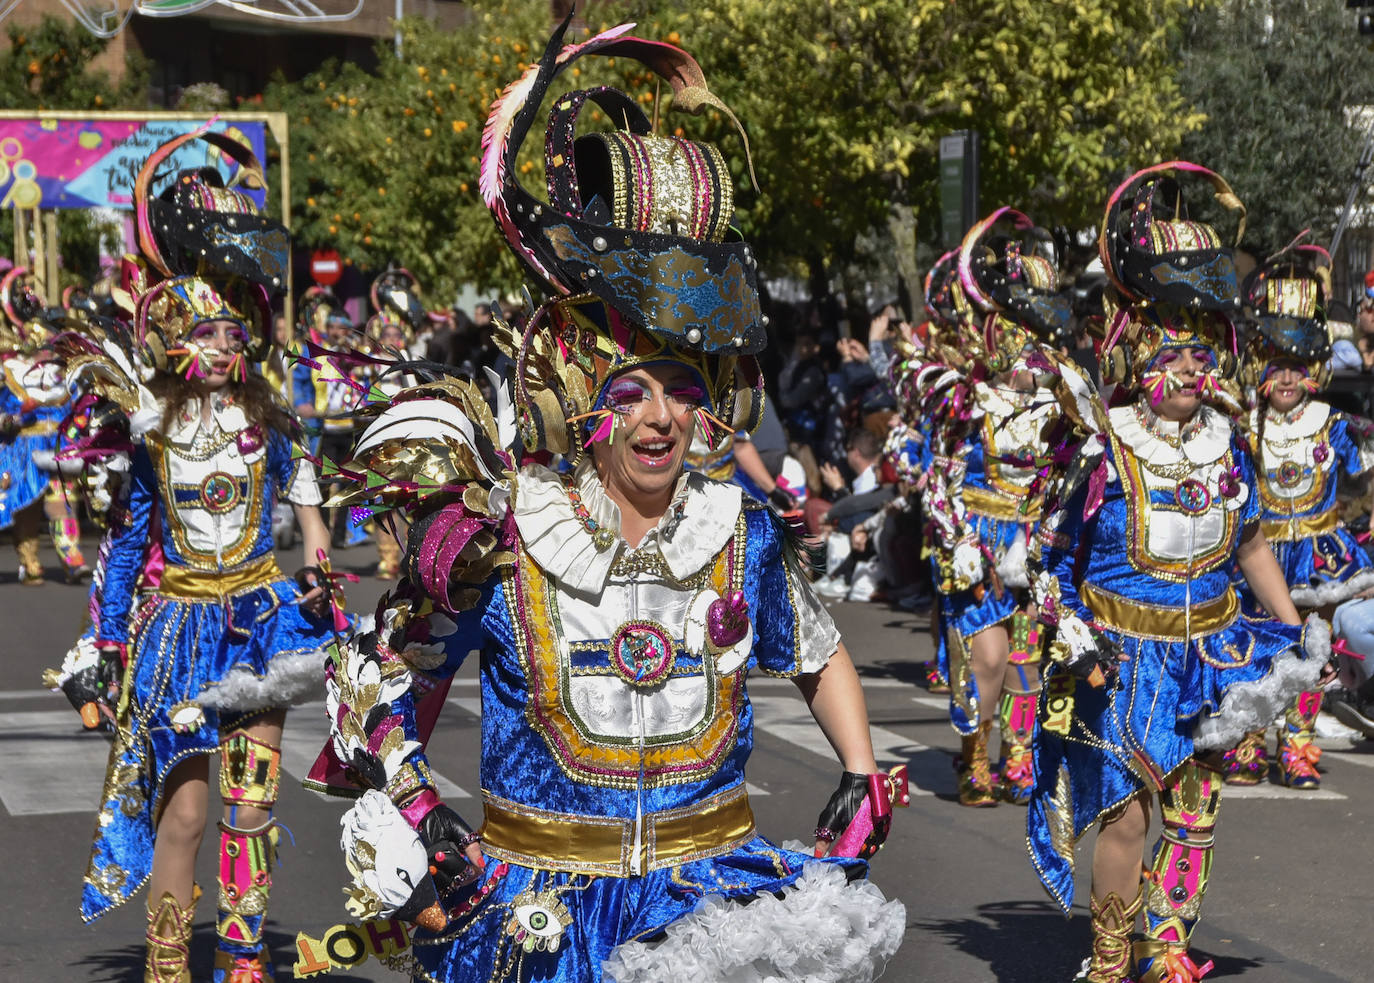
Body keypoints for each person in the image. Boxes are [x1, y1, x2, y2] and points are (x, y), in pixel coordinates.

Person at [306, 20, 907, 983]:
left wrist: (862, 771)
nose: (661, 418)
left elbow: (818, 648)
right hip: (540, 907)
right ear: (582, 397)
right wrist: (414, 811)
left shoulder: (737, 531)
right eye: (631, 392)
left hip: (710, 899)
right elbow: (385, 688)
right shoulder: (500, 538)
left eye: (683, 388)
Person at [1026, 163, 1332, 983]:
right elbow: (1050, 563)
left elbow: (1253, 544)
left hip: (1212, 655)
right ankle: (1108, 957)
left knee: (1196, 813)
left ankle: (1167, 943)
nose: (1191, 366)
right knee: (1124, 818)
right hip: (1123, 660)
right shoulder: (1103, 443)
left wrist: (1299, 628)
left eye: (1202, 348)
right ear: (1134, 347)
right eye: (1172, 347)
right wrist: (1072, 638)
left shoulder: (1227, 442)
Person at [65, 129, 338, 983]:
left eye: (233, 332)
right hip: (180, 633)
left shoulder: (272, 423)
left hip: (259, 625)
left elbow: (304, 491)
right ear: (177, 337)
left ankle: (247, 961)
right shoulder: (153, 436)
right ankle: (168, 967)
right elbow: (124, 547)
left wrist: (321, 557)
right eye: (209, 333)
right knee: (183, 816)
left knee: (252, 808)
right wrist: (110, 646)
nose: (225, 348)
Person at [919, 210, 1069, 807]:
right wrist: (958, 542)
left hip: (1033, 543)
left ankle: (1020, 755)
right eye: (1016, 334)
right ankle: (974, 755)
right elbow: (940, 479)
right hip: (978, 539)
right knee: (988, 657)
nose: (1028, 350)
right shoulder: (963, 398)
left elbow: (1066, 483)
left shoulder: (1063, 407)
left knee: (1028, 661)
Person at [1225, 240, 1374, 789]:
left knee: (1313, 649)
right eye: (1274, 367)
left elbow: (1363, 481)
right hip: (1260, 554)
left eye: (1295, 367)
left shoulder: (1335, 422)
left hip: (1317, 553)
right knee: (1255, 648)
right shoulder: (1244, 424)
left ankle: (1297, 745)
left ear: (1312, 368)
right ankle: (1245, 738)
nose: (1285, 380)